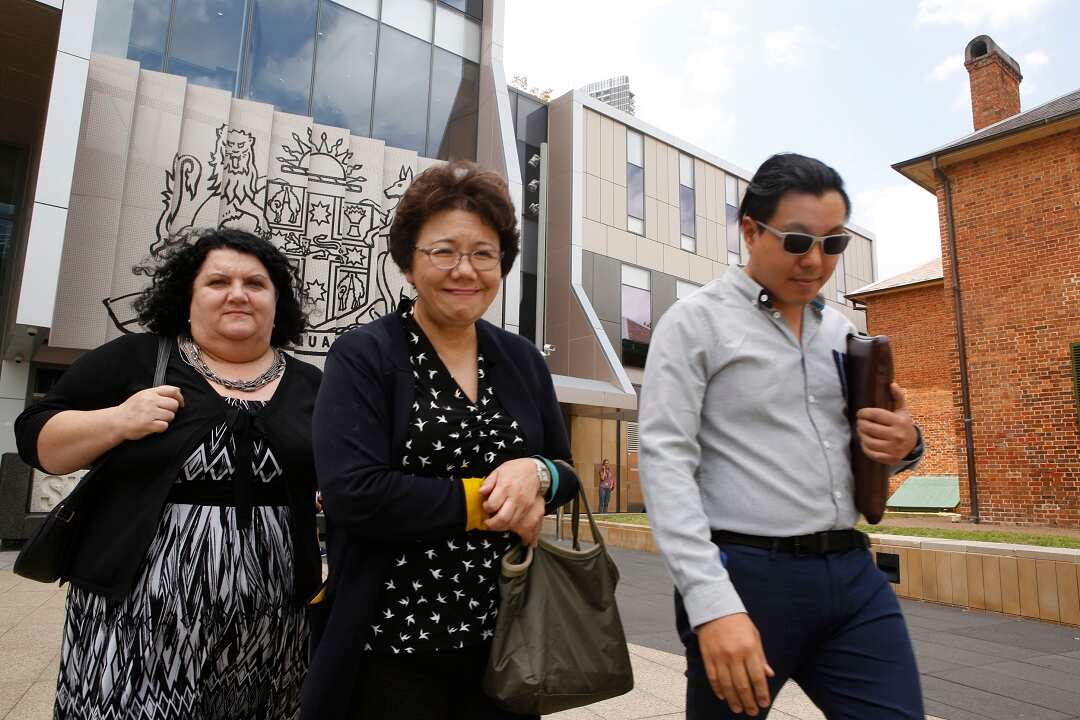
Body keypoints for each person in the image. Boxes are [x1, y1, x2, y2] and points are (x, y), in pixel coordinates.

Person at [639, 153, 925, 720]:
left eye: (832, 244)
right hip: (747, 576)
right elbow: (665, 462)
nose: (815, 261)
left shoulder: (844, 334)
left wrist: (905, 442)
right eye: (797, 241)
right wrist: (711, 605)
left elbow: (857, 448)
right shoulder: (695, 322)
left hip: (852, 575)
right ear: (749, 230)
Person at [303, 160, 580, 720]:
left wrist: (540, 475)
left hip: (508, 642)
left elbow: (564, 470)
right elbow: (355, 493)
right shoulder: (366, 355)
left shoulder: (521, 360)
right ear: (408, 263)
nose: (465, 269)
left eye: (484, 253)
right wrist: (491, 500)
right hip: (391, 643)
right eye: (444, 251)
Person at [15, 228, 323, 719]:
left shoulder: (315, 386)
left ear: (277, 301)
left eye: (256, 283)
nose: (238, 293)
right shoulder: (137, 358)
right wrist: (117, 420)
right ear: (188, 296)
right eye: (218, 281)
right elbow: (37, 439)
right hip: (133, 617)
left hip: (272, 626)